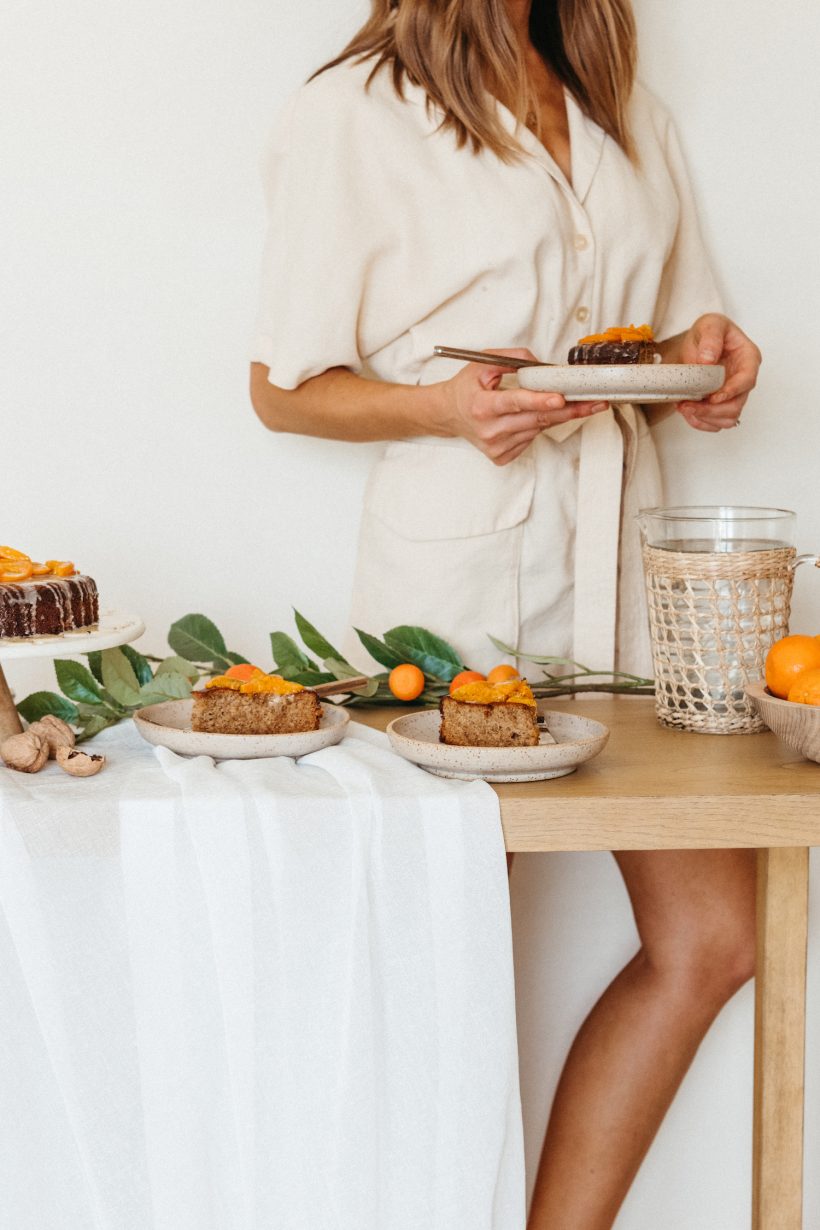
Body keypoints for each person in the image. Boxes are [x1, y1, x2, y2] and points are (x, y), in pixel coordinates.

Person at [249, 2, 761, 1225]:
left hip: (633, 580)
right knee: (444, 975)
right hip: (457, 588)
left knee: (711, 940)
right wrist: (443, 411)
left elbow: (666, 328)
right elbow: (281, 388)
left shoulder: (615, 99)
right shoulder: (353, 111)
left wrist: (707, 355)